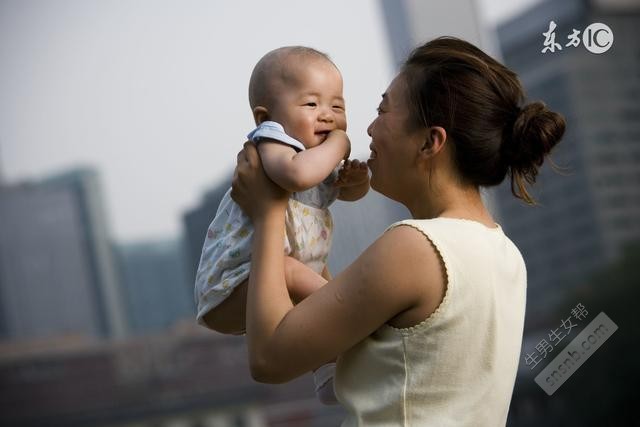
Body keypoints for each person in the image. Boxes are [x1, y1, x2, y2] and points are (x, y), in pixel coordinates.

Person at [230, 36, 566, 426]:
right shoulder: (504, 253)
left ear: (429, 142)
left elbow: (269, 358)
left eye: (383, 110)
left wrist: (268, 210)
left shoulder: (416, 247)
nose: (369, 128)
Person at [193, 46, 370, 404]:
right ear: (266, 116)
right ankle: (353, 311)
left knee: (316, 271)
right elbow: (298, 175)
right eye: (311, 105)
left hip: (275, 279)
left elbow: (348, 193)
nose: (328, 116)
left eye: (338, 107)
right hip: (233, 284)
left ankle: (328, 370)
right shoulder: (274, 143)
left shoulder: (317, 155)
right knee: (303, 273)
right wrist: (341, 142)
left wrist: (356, 180)